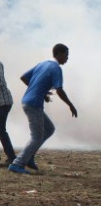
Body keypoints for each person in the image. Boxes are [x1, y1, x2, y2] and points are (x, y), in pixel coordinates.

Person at [8, 44, 77, 175]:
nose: (67, 58)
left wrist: (41, 92)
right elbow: (59, 90)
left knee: (49, 129)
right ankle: (17, 163)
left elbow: (23, 77)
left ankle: (29, 157)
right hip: (33, 104)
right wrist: (70, 104)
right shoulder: (56, 68)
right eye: (66, 55)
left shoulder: (42, 64)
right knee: (36, 138)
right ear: (60, 54)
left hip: (28, 101)